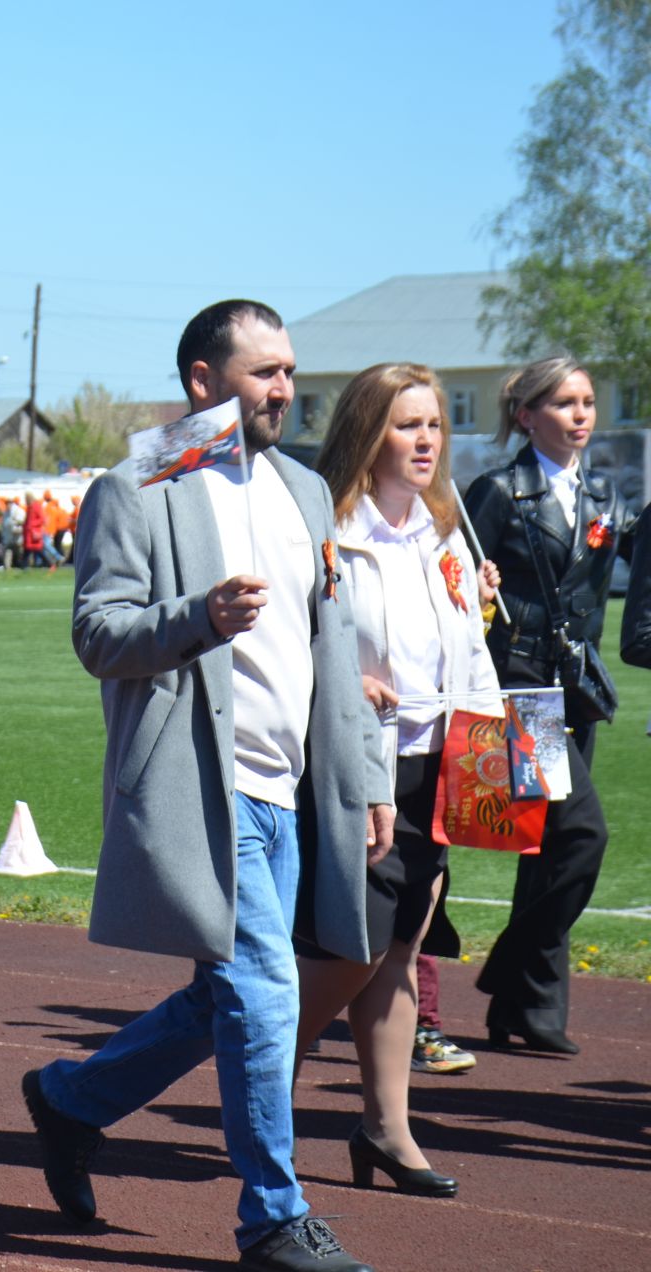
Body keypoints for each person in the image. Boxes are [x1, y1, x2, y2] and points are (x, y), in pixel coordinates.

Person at [22, 300, 390, 1272]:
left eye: (289, 372)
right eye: (265, 371)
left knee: (221, 1001)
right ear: (202, 380)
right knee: (264, 993)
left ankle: (70, 1099)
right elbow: (99, 634)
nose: (285, 389)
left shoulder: (304, 490)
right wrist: (197, 617)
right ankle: (273, 1216)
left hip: (287, 793)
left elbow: (335, 645)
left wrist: (371, 778)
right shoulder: (139, 484)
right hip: (201, 785)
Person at [298, 362, 503, 1201]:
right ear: (367, 433)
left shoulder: (445, 532)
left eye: (435, 425)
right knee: (355, 949)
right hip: (361, 767)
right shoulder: (327, 532)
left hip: (441, 761)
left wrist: (494, 751)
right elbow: (294, 641)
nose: (426, 439)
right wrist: (345, 680)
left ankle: (386, 1129)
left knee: (403, 948)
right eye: (406, 423)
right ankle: (258, 1086)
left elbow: (468, 649)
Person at [463, 355, 628, 1054]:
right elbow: (461, 581)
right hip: (520, 687)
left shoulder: (605, 495)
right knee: (581, 836)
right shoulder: (500, 490)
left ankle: (529, 1013)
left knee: (546, 848)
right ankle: (508, 968)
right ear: (527, 415)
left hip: (575, 688)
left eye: (588, 401)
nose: (582, 414)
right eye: (564, 402)